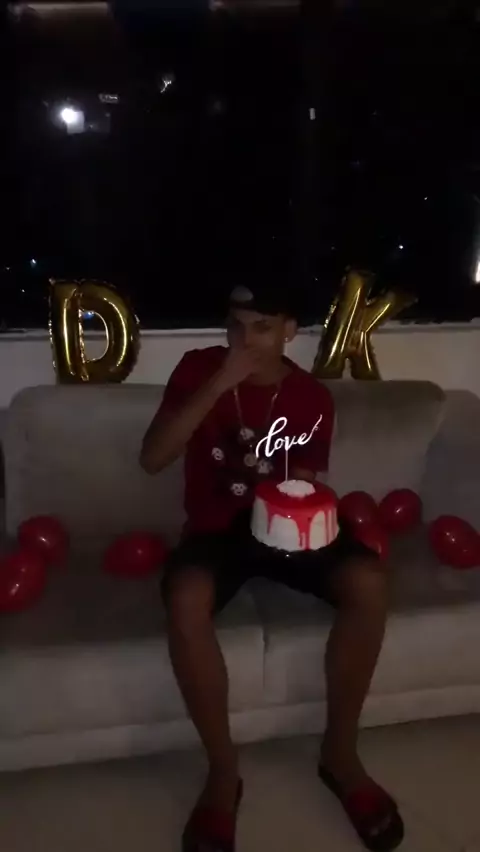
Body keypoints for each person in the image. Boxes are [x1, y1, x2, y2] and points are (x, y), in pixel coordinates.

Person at [140, 283, 404, 852]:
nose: (245, 340)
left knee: (369, 580)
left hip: (284, 523)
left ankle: (340, 755)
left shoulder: (311, 397)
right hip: (216, 529)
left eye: (261, 327)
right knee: (185, 596)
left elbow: (302, 485)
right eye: (236, 325)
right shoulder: (198, 369)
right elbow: (152, 458)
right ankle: (223, 773)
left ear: (288, 330)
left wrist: (308, 513)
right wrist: (218, 385)